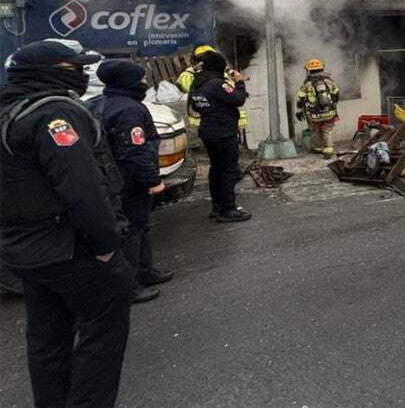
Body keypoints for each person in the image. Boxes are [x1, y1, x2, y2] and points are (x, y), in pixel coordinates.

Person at [0, 40, 133, 408]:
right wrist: (107, 246)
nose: (81, 73)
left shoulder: (9, 110)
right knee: (103, 332)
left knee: (47, 338)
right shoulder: (55, 114)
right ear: (53, 71)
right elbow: (83, 189)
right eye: (73, 66)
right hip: (69, 247)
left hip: (24, 249)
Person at [88, 59, 174, 304]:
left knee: (140, 227)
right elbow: (135, 149)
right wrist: (152, 180)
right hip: (128, 181)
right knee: (131, 232)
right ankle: (129, 285)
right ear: (129, 81)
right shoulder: (129, 109)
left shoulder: (98, 104)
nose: (145, 82)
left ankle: (145, 271)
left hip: (109, 179)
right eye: (141, 78)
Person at [191, 51, 251, 222]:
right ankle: (228, 209)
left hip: (208, 130)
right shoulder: (217, 84)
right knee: (228, 170)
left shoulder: (198, 82)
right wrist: (239, 82)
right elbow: (238, 99)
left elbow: (195, 105)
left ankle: (217, 206)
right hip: (223, 132)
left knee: (216, 169)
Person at [296, 59, 340, 159]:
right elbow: (336, 94)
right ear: (322, 68)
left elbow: (300, 98)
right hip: (329, 113)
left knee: (315, 130)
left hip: (313, 114)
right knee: (327, 130)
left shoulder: (307, 84)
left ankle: (318, 148)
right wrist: (332, 105)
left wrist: (299, 112)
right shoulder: (329, 81)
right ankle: (328, 149)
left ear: (309, 70)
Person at [176, 44, 218, 128]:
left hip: (221, 120)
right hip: (200, 122)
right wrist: (199, 72)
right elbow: (192, 87)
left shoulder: (221, 72)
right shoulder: (187, 75)